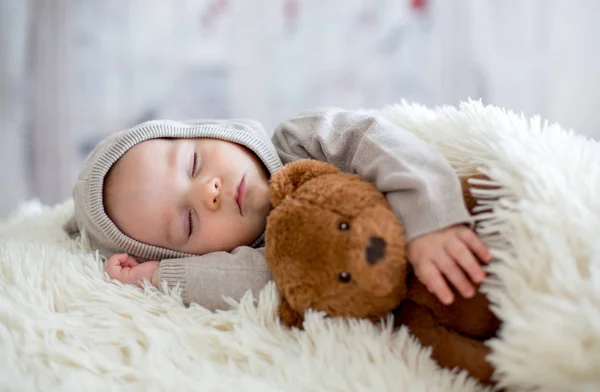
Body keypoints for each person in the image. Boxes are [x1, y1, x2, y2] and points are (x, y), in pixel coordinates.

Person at [64, 107, 491, 311]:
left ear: (211, 132)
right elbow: (254, 281)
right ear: (189, 256)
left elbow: (378, 141)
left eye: (193, 164)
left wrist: (430, 220)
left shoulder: (299, 141)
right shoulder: (265, 256)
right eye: (188, 222)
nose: (206, 192)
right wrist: (158, 277)